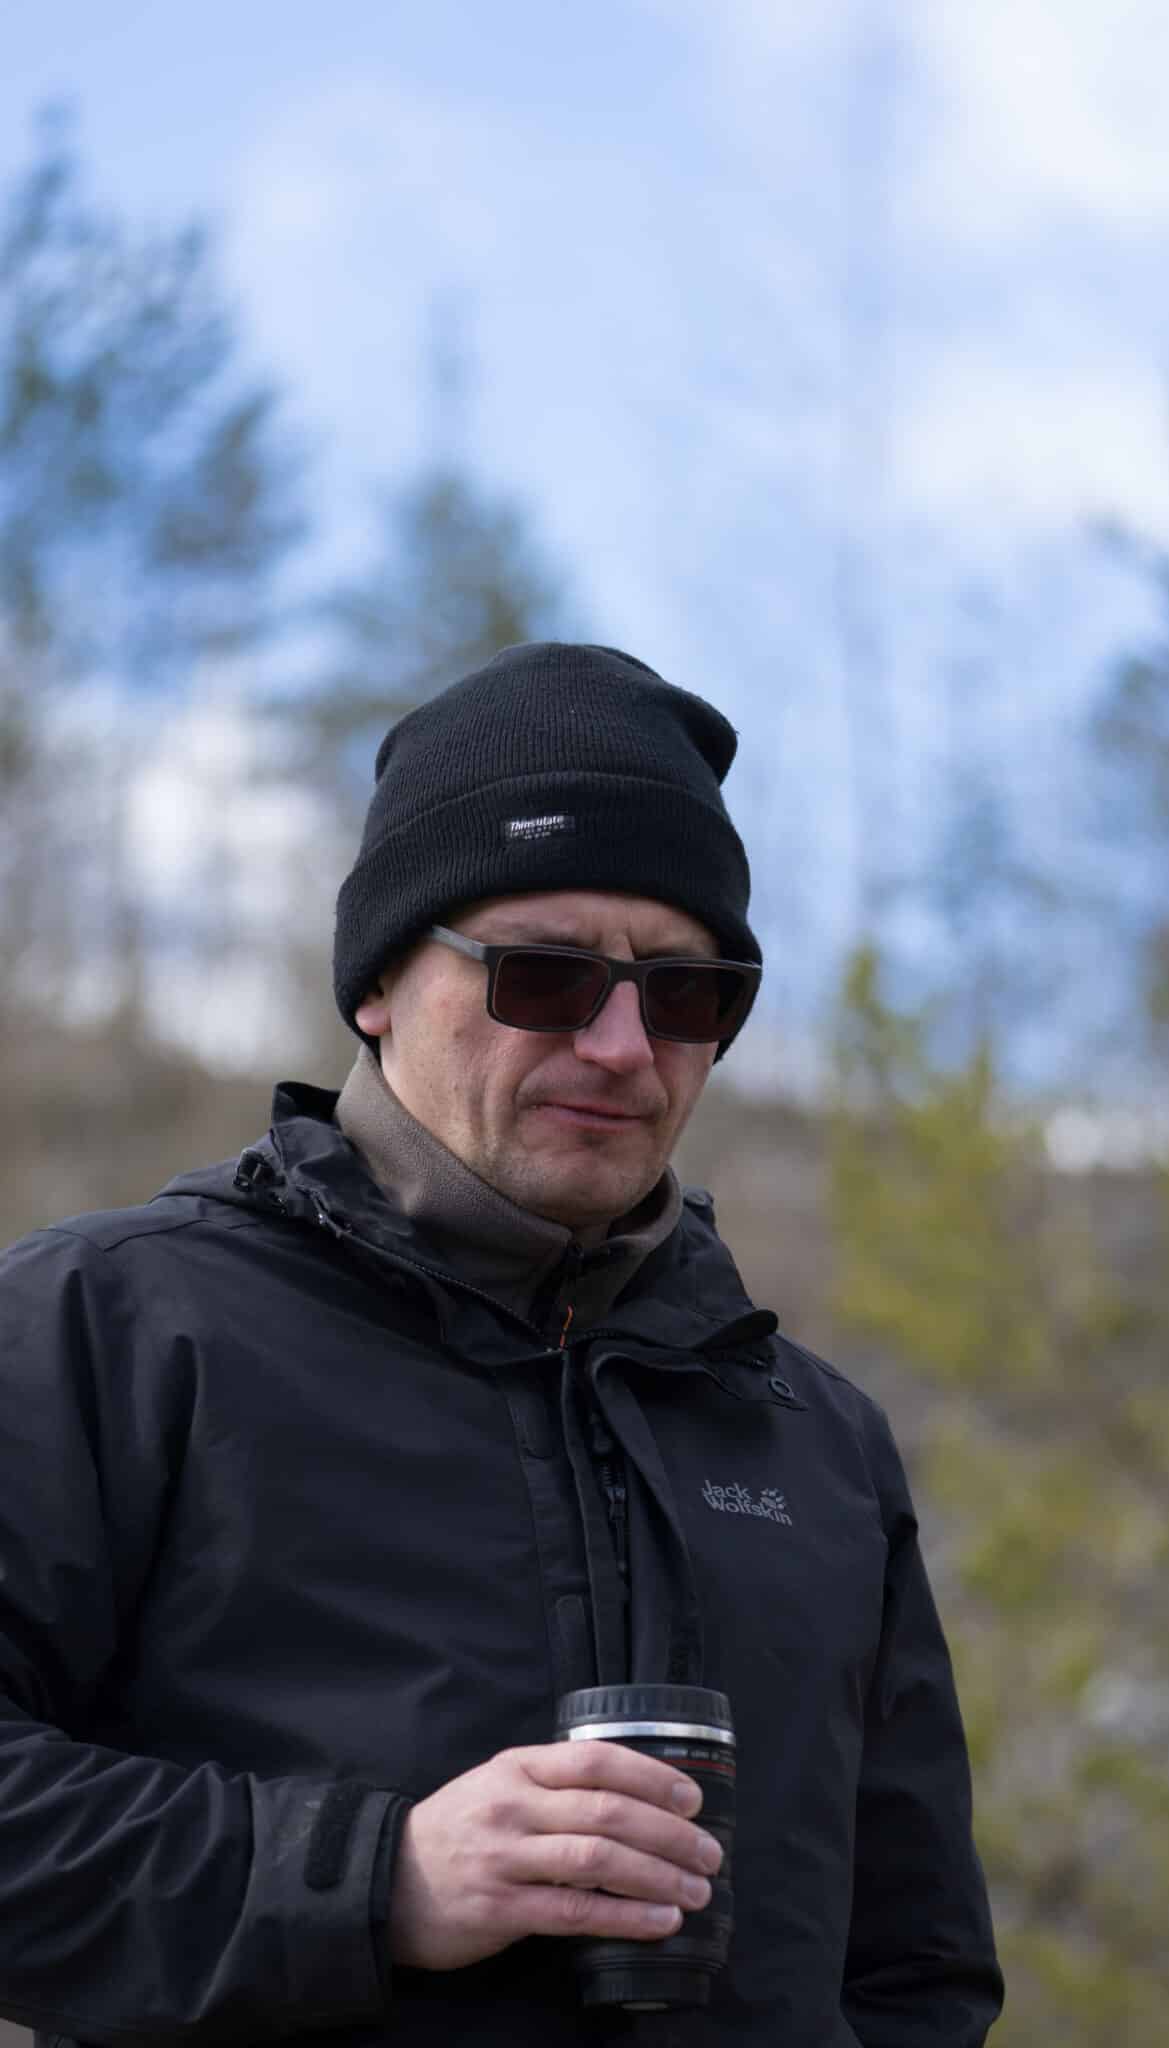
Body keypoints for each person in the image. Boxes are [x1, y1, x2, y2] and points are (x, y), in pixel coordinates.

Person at [0, 641, 1003, 2045]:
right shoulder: (103, 1327)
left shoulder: (813, 1438)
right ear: (378, 985)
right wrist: (373, 1880)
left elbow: (914, 1973)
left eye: (686, 990)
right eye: (543, 975)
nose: (618, 1044)